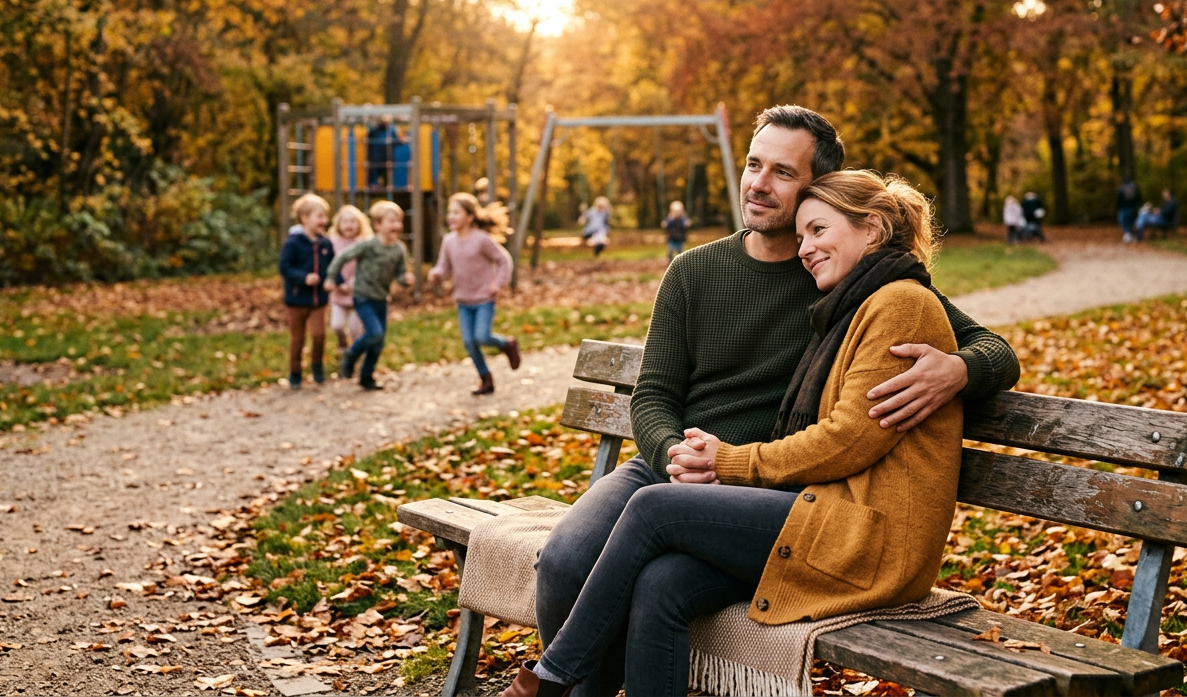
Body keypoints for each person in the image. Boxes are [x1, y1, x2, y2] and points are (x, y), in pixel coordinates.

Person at [533, 105, 1020, 697]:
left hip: (768, 480)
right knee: (563, 560)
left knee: (658, 574)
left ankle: (549, 685)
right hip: (677, 464)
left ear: (819, 190)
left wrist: (961, 369)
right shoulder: (693, 271)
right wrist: (673, 458)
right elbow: (656, 393)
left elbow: (989, 346)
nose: (759, 184)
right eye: (753, 164)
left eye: (782, 173)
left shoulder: (847, 275)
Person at [427, 193, 520, 395]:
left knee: (481, 336)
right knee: (469, 343)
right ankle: (486, 379)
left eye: (456, 212)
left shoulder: (481, 240)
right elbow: (444, 267)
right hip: (463, 300)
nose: (450, 217)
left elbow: (504, 260)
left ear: (469, 216)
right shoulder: (448, 241)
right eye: (449, 212)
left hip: (484, 298)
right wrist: (436, 275)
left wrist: (498, 283)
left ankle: (507, 344)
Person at [325, 201, 413, 391]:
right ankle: (351, 354)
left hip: (382, 298)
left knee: (378, 343)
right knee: (374, 333)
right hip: (362, 296)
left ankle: (366, 377)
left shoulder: (399, 249)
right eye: (391, 221)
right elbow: (342, 257)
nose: (396, 225)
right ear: (378, 225)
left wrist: (405, 279)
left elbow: (400, 274)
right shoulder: (368, 245)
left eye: (398, 221)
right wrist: (332, 277)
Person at [278, 193, 335, 390]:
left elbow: (333, 267)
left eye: (325, 216)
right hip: (296, 300)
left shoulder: (325, 244)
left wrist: (336, 280)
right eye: (319, 216)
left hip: (318, 300)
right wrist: (303, 277)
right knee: (298, 338)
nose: (324, 221)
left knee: (319, 335)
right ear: (305, 218)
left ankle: (317, 366)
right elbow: (285, 267)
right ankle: (295, 372)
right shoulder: (293, 243)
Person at [327, 205, 373, 351]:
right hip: (338, 292)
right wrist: (338, 282)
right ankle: (342, 341)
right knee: (336, 325)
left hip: (357, 293)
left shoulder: (364, 243)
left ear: (360, 224)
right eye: (345, 221)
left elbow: (367, 266)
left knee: (355, 330)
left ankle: (354, 353)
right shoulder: (332, 243)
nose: (349, 225)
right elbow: (330, 265)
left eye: (353, 221)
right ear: (338, 225)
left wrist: (356, 281)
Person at [1117, 178, 1142, 243]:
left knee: (1123, 221)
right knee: (1131, 222)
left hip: (1124, 208)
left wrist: (1119, 207)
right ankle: (1132, 234)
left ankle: (1128, 234)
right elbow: (1139, 197)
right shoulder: (1134, 186)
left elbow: (1119, 198)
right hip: (1133, 207)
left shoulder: (1121, 187)